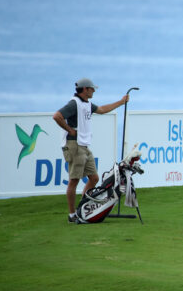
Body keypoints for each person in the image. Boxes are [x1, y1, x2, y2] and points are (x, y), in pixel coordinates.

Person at [53, 78, 129, 223]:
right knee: (73, 181)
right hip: (75, 145)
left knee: (94, 178)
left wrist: (121, 102)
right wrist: (70, 130)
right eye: (92, 89)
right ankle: (72, 215)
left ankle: (82, 208)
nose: (94, 91)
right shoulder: (74, 104)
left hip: (83, 145)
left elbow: (101, 110)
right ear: (85, 89)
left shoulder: (86, 103)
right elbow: (57, 116)